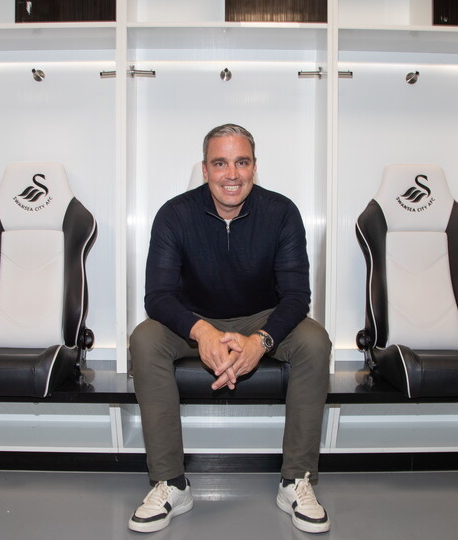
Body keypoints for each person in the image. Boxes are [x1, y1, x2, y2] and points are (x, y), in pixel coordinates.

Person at [128, 123, 332, 534]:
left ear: (254, 167)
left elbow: (296, 296)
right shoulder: (174, 214)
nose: (232, 174)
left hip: (261, 317)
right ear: (204, 169)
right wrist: (201, 332)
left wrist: (261, 341)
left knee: (314, 339)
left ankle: (296, 481)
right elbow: (159, 296)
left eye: (241, 162)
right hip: (194, 321)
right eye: (220, 163)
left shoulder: (282, 212)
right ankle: (170, 483)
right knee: (144, 337)